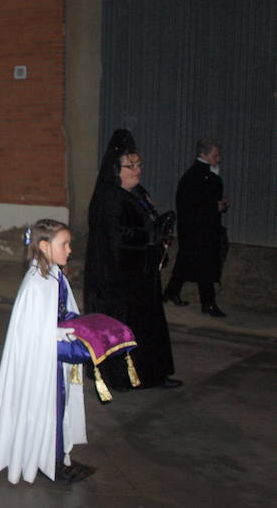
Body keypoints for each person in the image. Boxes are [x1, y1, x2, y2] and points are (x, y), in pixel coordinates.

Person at [0, 219, 94, 484]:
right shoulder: (36, 284)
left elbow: (62, 314)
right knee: (44, 409)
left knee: (57, 408)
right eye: (64, 244)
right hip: (40, 364)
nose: (69, 250)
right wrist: (67, 340)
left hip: (52, 360)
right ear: (44, 246)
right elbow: (33, 335)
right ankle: (42, 459)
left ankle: (55, 457)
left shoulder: (54, 275)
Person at [84, 129, 181, 390]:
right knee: (126, 331)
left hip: (142, 279)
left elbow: (143, 226)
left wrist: (159, 230)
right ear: (116, 169)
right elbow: (117, 240)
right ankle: (124, 377)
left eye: (138, 165)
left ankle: (154, 374)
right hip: (121, 282)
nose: (136, 171)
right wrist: (151, 235)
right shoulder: (110, 198)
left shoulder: (137, 192)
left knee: (150, 328)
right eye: (130, 166)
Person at [163, 138, 229, 317]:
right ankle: (208, 303)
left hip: (199, 228)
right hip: (197, 230)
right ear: (203, 155)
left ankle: (171, 292)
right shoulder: (196, 175)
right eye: (215, 156)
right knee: (205, 266)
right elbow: (191, 204)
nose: (218, 159)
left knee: (186, 262)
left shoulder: (204, 174)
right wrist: (215, 206)